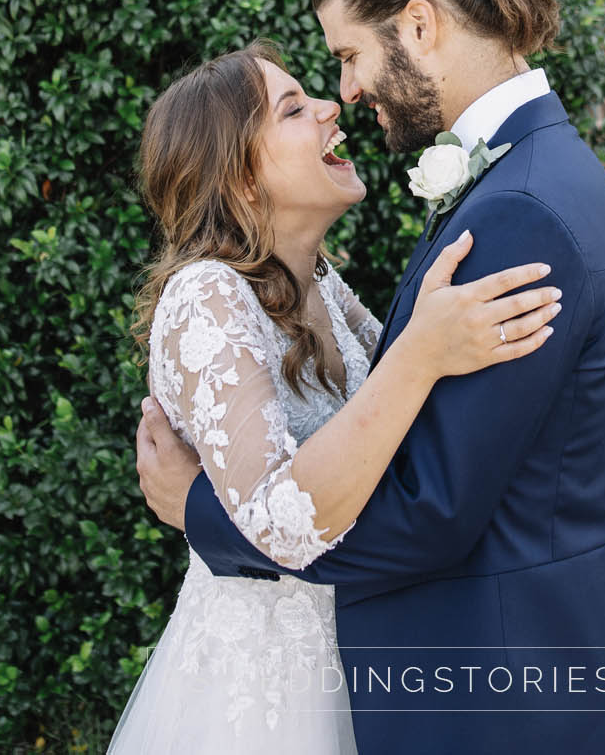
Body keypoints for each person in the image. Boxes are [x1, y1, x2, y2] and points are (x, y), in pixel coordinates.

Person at [136, 0, 605, 754]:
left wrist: (199, 512)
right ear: (240, 174)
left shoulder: (523, 206)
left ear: (417, 26)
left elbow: (430, 508)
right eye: (301, 98)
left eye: (344, 56)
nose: (343, 92)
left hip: (498, 690)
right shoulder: (530, 180)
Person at [106, 38, 563, 754]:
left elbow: (409, 428)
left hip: (363, 648)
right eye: (294, 108)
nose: (331, 106)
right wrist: (420, 356)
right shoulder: (206, 297)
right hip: (267, 693)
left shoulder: (318, 281)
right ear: (241, 179)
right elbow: (278, 522)